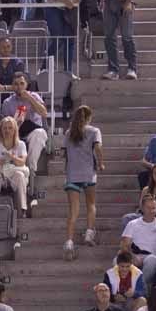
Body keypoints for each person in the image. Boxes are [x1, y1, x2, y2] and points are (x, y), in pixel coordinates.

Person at [63, 105, 105, 255]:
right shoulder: (94, 131)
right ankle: (89, 233)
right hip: (88, 173)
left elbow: (65, 153)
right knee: (91, 205)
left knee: (73, 210)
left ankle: (69, 242)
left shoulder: (69, 133)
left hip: (72, 174)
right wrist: (100, 163)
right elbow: (98, 148)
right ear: (89, 117)